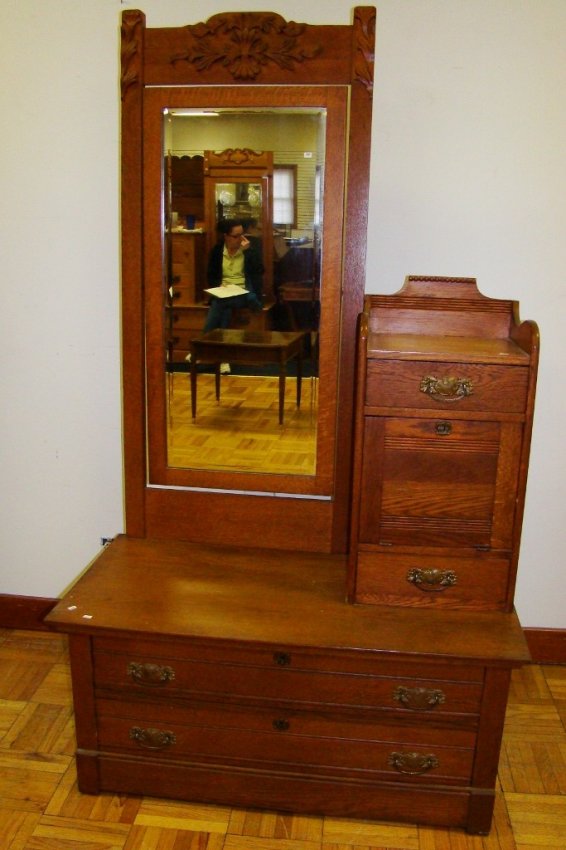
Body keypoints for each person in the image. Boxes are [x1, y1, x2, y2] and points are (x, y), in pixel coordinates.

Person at [203, 217, 264, 334]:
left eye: (242, 235)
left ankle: (205, 338)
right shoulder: (217, 251)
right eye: (236, 236)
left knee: (219, 303)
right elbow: (211, 275)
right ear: (226, 236)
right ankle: (221, 340)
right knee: (225, 307)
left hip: (244, 292)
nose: (240, 239)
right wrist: (218, 285)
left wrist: (248, 251)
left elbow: (259, 271)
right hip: (224, 291)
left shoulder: (250, 250)